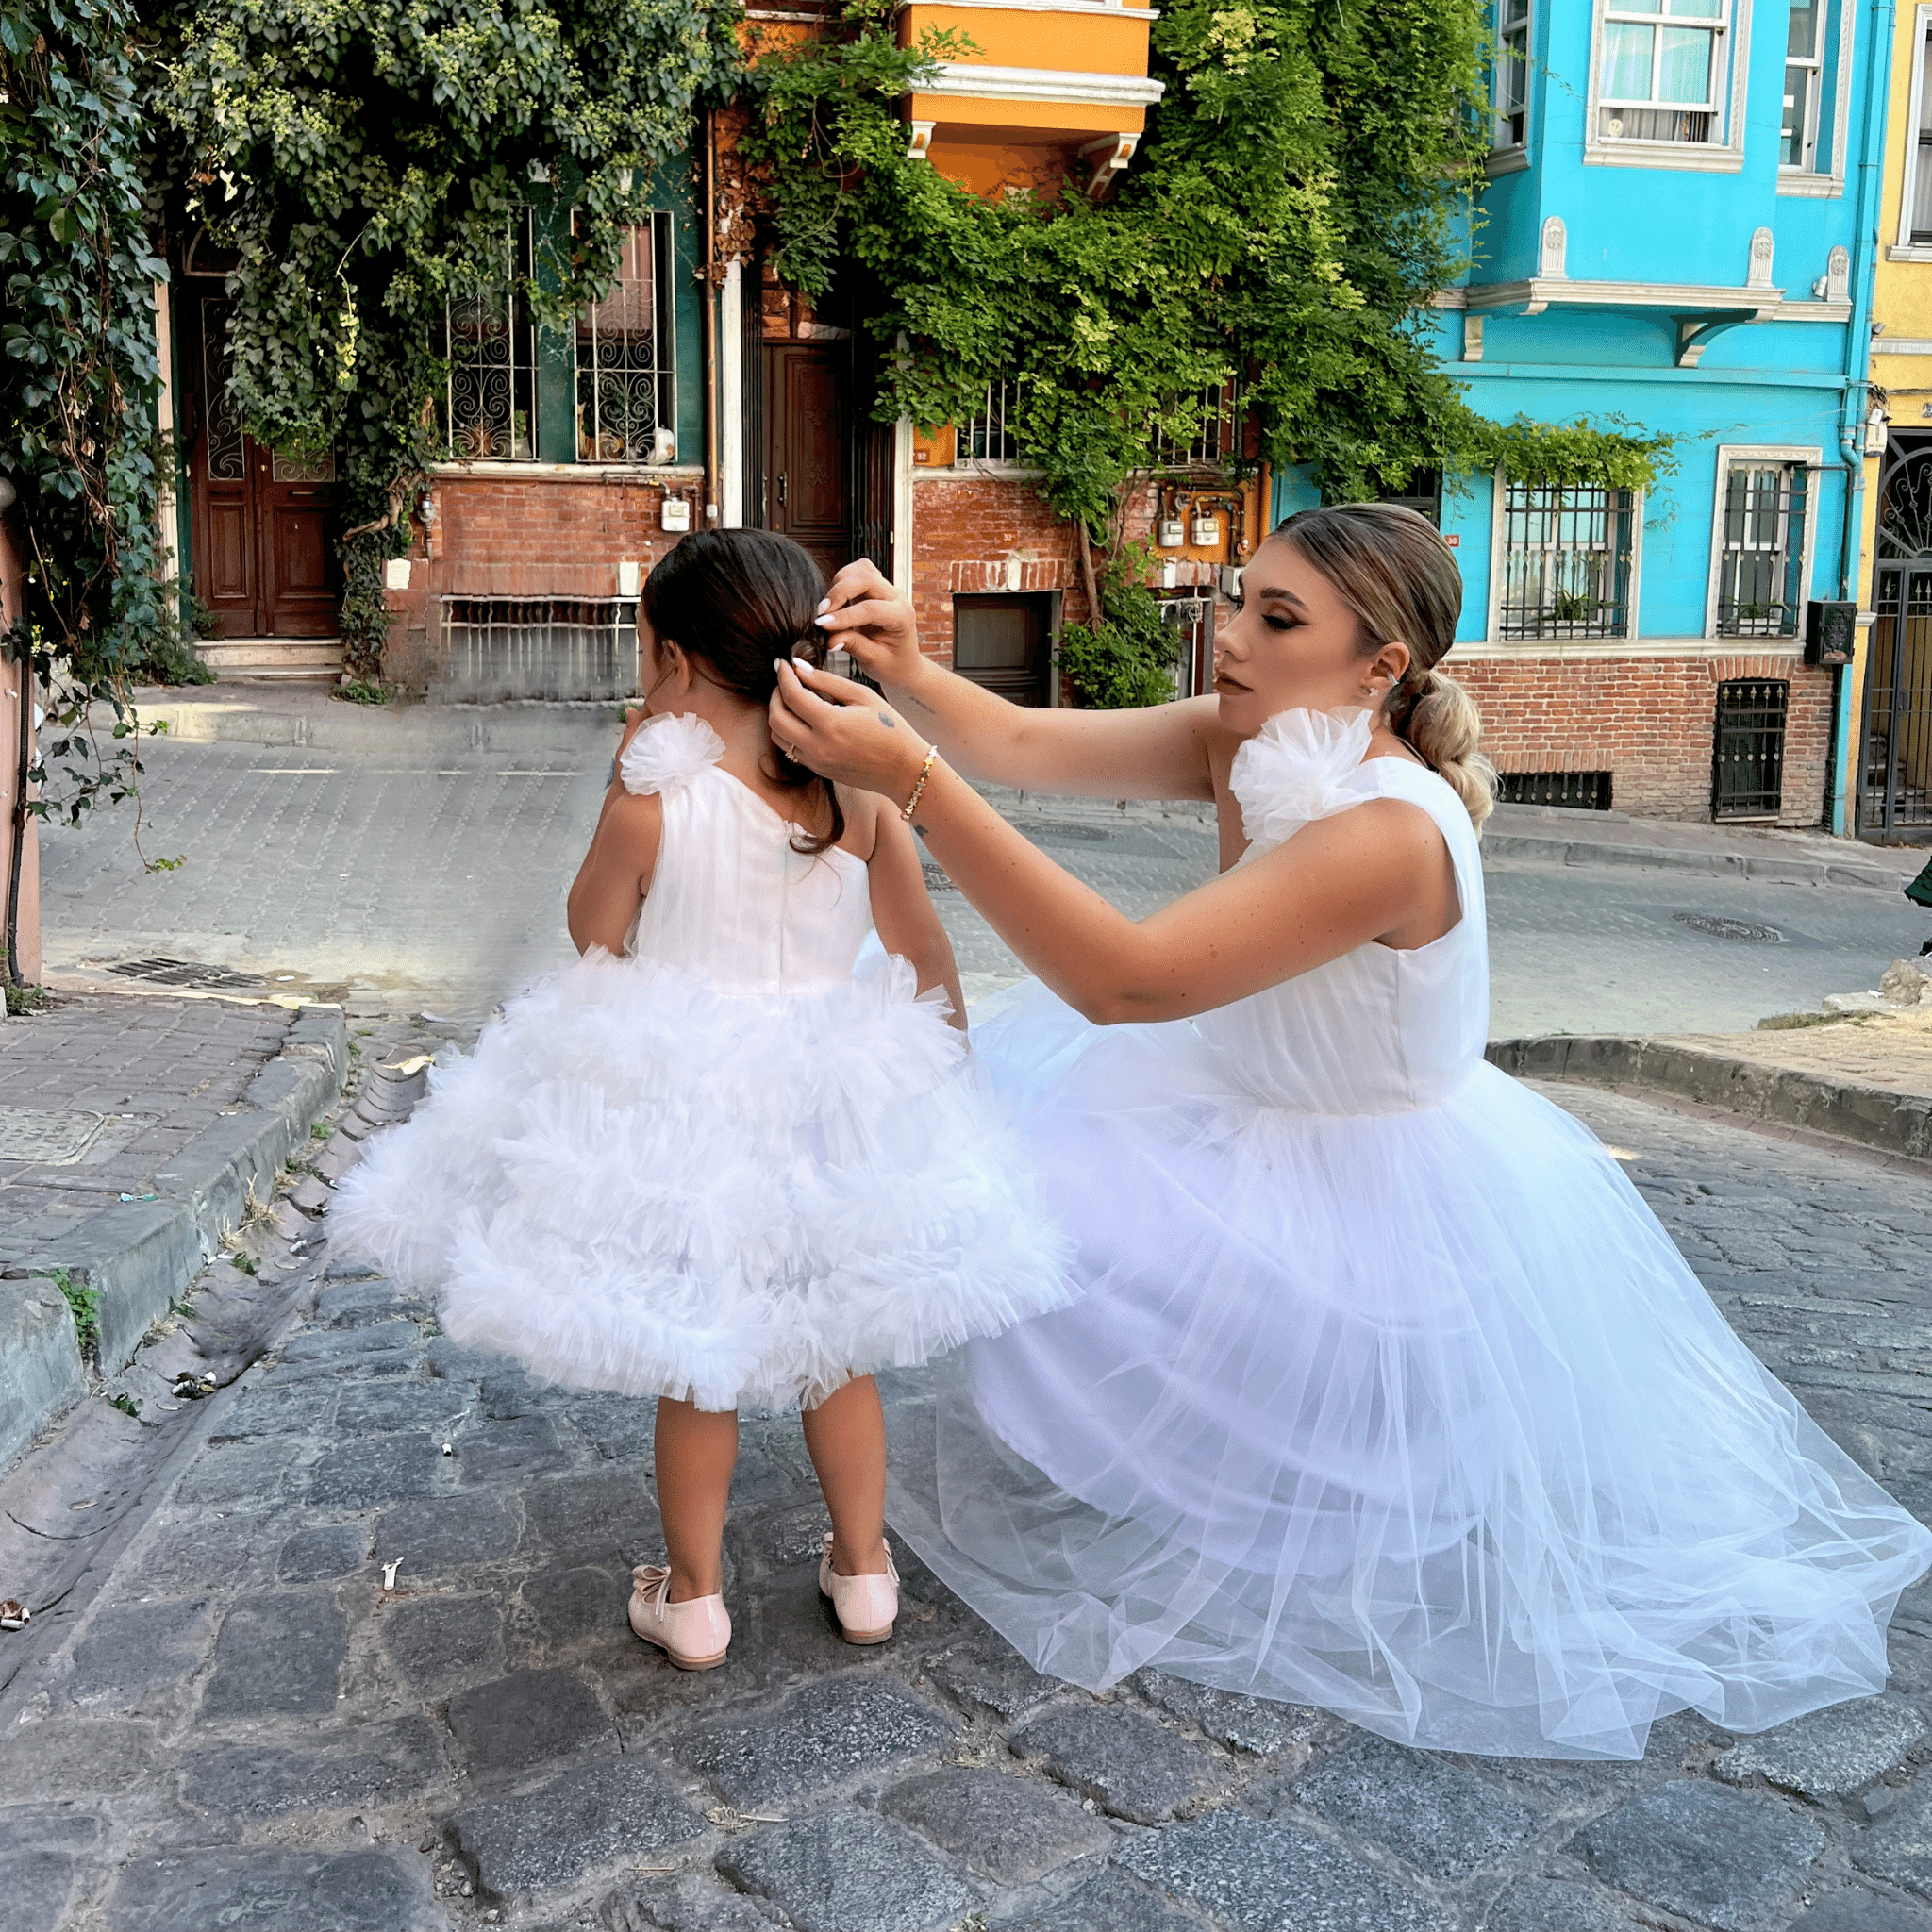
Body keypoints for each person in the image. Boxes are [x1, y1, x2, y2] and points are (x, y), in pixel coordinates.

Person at [768, 503, 1932, 1760]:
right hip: (1229, 1096)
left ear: (1380, 666)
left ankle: (1287, 1467)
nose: (1232, 635)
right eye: (1237, 598)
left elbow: (1124, 982)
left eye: (1278, 618)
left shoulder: (1386, 827)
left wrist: (916, 785)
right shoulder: (1246, 731)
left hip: (1368, 1178)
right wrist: (911, 668)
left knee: (1046, 1226)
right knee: (975, 1167)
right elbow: (1020, 740)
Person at [332, 529, 1073, 1672]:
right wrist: (945, 1080)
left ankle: (691, 1598)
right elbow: (920, 951)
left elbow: (595, 930)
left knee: (699, 1351)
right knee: (839, 1341)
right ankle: (865, 1573)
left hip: (685, 1101)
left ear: (671, 660)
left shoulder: (657, 797)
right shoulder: (857, 794)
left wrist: (628, 763)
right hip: (832, 1087)